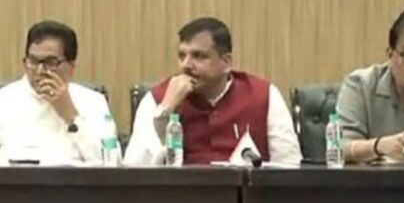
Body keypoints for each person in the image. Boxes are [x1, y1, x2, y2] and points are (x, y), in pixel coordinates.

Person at [124, 17, 301, 165]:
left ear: (226, 62)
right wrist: (165, 110)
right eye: (182, 56)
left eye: (199, 56)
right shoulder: (157, 99)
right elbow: (133, 171)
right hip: (182, 195)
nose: (186, 65)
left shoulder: (264, 96)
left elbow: (289, 167)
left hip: (247, 195)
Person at [0, 20, 112, 165]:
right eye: (33, 61)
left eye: (50, 62)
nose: (40, 71)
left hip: (72, 183)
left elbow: (110, 163)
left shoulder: (94, 102)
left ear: (71, 67)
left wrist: (71, 115)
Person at [338, 7, 404, 163]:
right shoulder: (360, 86)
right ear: (390, 55)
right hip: (376, 179)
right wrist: (379, 146)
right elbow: (339, 148)